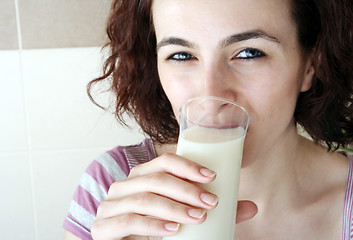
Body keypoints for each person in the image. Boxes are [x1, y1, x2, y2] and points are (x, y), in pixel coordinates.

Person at [63, 0, 353, 239]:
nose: (211, 95)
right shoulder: (112, 185)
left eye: (249, 53)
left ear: (310, 66)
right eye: (181, 55)